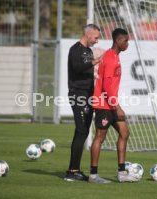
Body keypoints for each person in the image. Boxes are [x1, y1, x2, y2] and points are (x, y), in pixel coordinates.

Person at [88, 28, 138, 183]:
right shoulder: (109, 58)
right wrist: (117, 107)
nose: (127, 44)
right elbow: (106, 87)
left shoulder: (115, 57)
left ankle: (122, 174)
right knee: (100, 137)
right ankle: (93, 175)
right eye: (125, 41)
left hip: (111, 103)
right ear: (118, 41)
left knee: (124, 133)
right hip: (104, 104)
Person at [64, 24, 101, 182]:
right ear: (88, 34)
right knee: (81, 131)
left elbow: (84, 72)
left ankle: (74, 170)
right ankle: (72, 172)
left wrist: (94, 77)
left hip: (88, 95)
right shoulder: (75, 49)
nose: (97, 40)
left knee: (83, 132)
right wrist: (94, 63)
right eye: (96, 37)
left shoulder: (89, 51)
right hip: (77, 95)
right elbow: (77, 68)